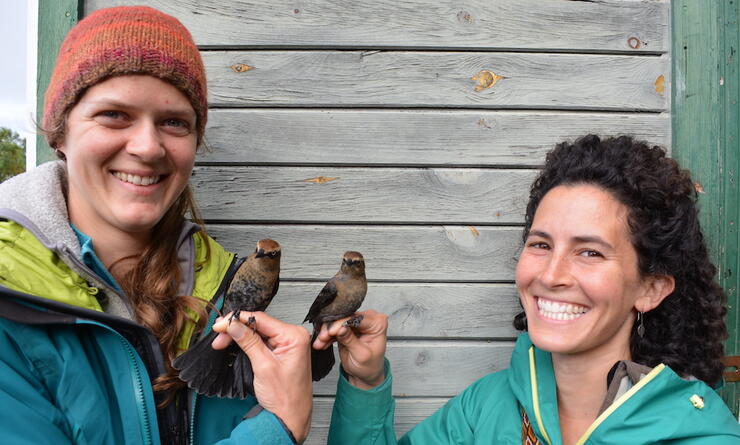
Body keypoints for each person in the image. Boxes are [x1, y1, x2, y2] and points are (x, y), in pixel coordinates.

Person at [0, 6, 311, 444]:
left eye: (173, 122)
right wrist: (275, 430)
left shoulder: (218, 290)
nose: (147, 147)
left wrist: (364, 387)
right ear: (59, 132)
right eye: (114, 114)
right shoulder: (7, 294)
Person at [320, 134, 740, 444]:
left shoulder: (700, 435)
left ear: (650, 288)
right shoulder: (481, 409)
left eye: (590, 253)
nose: (551, 274)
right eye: (541, 245)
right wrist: (364, 383)